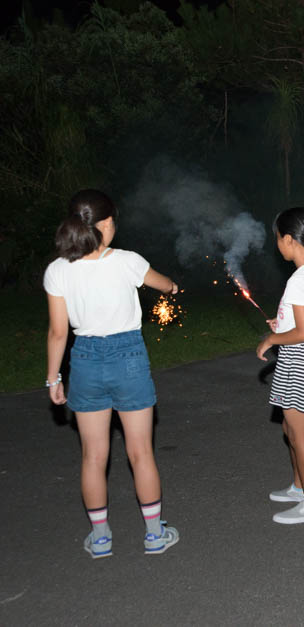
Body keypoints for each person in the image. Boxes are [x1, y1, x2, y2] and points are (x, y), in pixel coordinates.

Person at [44, 189, 180, 558]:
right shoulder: (127, 261)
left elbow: (58, 332)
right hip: (129, 358)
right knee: (140, 452)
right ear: (105, 224)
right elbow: (163, 283)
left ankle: (101, 538)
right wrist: (171, 286)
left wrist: (54, 378)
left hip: (85, 360)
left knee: (93, 456)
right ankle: (154, 534)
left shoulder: (57, 270)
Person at [257, 207, 304, 525]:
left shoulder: (300, 279)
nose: (277, 243)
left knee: (301, 437)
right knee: (290, 429)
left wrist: (271, 339)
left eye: (277, 238)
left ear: (288, 239)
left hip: (303, 361)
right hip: (302, 359)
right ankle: (300, 487)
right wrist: (282, 323)